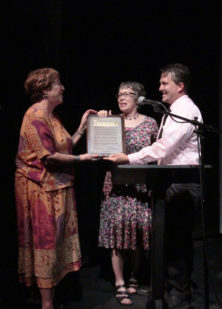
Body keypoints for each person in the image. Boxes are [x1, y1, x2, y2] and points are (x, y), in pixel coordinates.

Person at [105, 63, 202, 308]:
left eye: (164, 83)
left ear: (180, 86)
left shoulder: (186, 110)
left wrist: (128, 158)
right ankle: (172, 290)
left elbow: (163, 148)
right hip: (170, 180)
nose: (159, 88)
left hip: (182, 182)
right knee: (171, 240)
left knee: (178, 242)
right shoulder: (173, 110)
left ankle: (180, 295)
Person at [15, 67, 98, 309]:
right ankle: (46, 304)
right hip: (39, 190)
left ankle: (50, 298)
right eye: (58, 84)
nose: (62, 88)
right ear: (44, 90)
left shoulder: (53, 116)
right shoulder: (34, 116)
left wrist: (82, 128)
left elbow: (65, 148)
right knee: (45, 243)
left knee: (55, 243)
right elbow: (49, 157)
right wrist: (83, 159)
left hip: (58, 188)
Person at [98, 81, 158, 306]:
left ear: (139, 98)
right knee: (116, 235)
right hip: (115, 185)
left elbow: (157, 154)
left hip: (140, 186)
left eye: (127, 94)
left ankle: (134, 275)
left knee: (137, 233)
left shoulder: (151, 123)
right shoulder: (111, 121)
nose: (122, 98)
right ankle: (119, 282)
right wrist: (100, 125)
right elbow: (98, 151)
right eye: (119, 94)